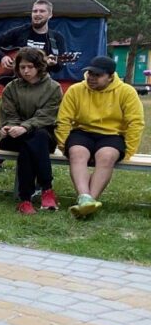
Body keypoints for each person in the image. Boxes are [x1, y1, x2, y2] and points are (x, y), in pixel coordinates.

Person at [55, 55, 145, 218]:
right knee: (77, 153)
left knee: (106, 156)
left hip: (112, 135)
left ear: (110, 77)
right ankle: (85, 199)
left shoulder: (126, 91)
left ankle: (88, 203)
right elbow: (63, 119)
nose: (91, 78)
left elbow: (136, 122)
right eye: (90, 73)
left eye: (97, 75)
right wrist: (63, 145)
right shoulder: (76, 90)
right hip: (82, 132)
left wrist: (129, 151)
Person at [0, 0, 69, 172]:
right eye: (34, 11)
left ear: (50, 15)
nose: (37, 14)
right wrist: (2, 57)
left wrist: (53, 63)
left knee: (36, 122)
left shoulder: (56, 38)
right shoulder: (21, 32)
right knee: (11, 116)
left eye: (42, 11)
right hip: (16, 84)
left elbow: (60, 66)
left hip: (41, 88)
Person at [0, 48, 63, 214]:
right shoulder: (11, 88)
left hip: (42, 136)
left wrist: (24, 127)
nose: (25, 71)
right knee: (32, 140)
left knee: (33, 140)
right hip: (13, 137)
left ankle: (25, 200)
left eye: (30, 67)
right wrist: (8, 128)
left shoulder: (53, 88)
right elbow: (8, 114)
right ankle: (47, 190)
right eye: (22, 67)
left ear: (40, 67)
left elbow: (47, 116)